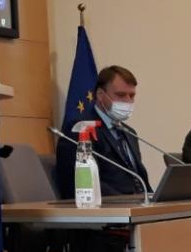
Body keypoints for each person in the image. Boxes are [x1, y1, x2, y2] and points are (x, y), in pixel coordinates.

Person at [57, 65, 151, 198]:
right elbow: (84, 182)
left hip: (140, 205)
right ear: (101, 95)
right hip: (109, 209)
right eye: (121, 95)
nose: (128, 101)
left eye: (132, 95)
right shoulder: (80, 128)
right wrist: (128, 201)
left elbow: (137, 179)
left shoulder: (130, 133)